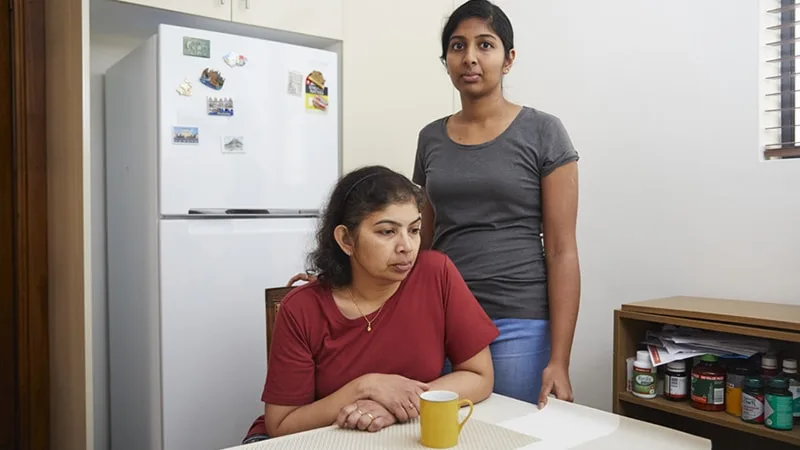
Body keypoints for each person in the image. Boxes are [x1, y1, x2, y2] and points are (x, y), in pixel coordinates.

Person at [242, 165, 499, 443]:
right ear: (346, 240)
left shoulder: (436, 274)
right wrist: (366, 387)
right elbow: (281, 424)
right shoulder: (301, 308)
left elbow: (479, 374)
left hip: (395, 434)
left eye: (414, 230)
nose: (407, 246)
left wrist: (395, 405)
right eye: (387, 232)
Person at [413, 0, 581, 408]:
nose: (470, 58)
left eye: (484, 45)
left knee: (506, 433)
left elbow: (561, 251)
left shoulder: (544, 131)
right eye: (457, 46)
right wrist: (339, 276)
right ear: (446, 60)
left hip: (517, 320)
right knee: (437, 431)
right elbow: (421, 241)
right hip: (442, 317)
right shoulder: (430, 138)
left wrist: (560, 360)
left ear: (508, 59)